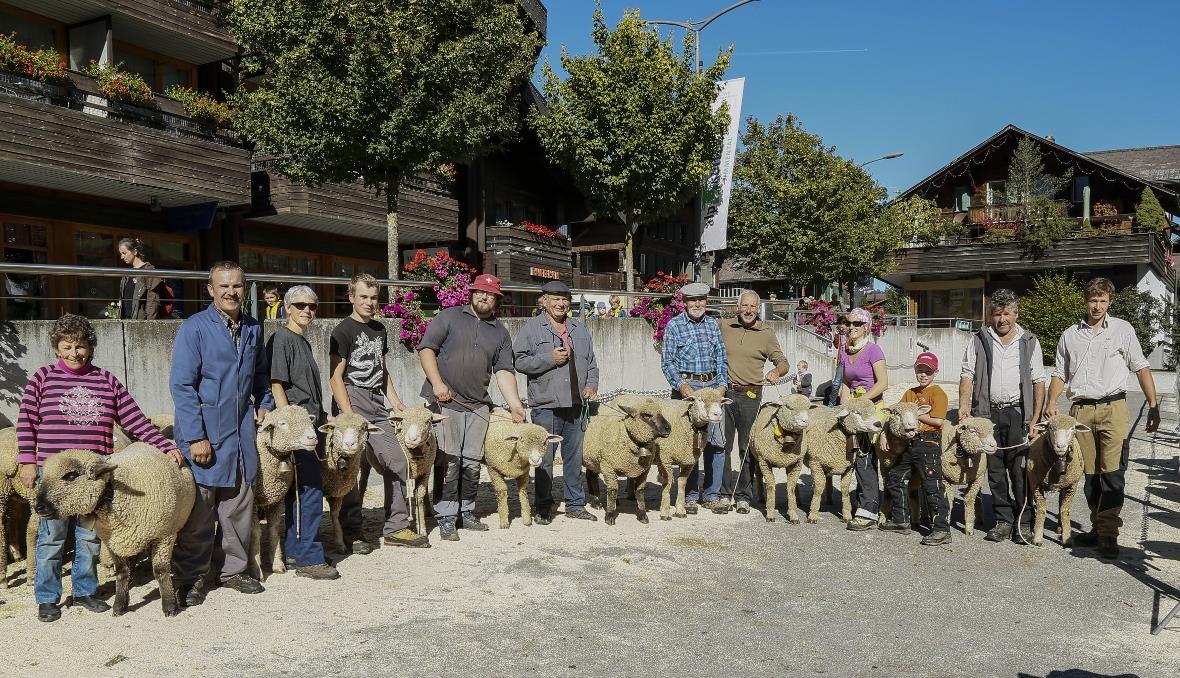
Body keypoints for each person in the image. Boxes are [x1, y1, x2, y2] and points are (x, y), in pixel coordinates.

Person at [16, 314, 182, 622]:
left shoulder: (106, 381)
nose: (74, 353)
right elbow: (26, 422)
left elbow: (135, 421)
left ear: (90, 347)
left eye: (81, 346)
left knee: (91, 537)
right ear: (57, 347)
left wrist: (166, 445)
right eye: (67, 346)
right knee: (51, 537)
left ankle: (84, 591)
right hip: (55, 477)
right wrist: (27, 460)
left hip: (94, 478)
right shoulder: (43, 378)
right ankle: (47, 597)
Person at [170, 261, 274, 606]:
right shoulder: (194, 329)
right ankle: (191, 576)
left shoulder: (253, 328)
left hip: (241, 432)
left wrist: (266, 402)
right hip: (206, 434)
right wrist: (195, 437)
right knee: (200, 512)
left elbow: (261, 374)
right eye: (224, 286)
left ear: (246, 288)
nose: (232, 292)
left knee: (239, 506)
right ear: (210, 290)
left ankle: (233, 570)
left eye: (238, 286)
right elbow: (183, 387)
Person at [1046, 277, 1160, 560]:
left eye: (1102, 301)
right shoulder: (1070, 335)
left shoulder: (1122, 330)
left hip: (1113, 409)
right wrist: (1050, 402)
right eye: (1093, 300)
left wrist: (1153, 404)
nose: (1097, 306)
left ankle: (1109, 534)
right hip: (1081, 411)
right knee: (1089, 476)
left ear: (1110, 302)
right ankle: (1097, 529)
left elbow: (1141, 367)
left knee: (1112, 474)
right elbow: (1060, 373)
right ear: (1086, 300)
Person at [418, 273, 527, 540]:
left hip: (478, 405)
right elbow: (426, 350)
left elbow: (503, 371)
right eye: (479, 291)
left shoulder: (500, 332)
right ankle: (445, 514)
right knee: (448, 460)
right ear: (471, 293)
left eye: (490, 294)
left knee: (472, 463)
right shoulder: (448, 317)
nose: (484, 296)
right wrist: (437, 384)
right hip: (446, 401)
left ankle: (466, 511)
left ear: (497, 299)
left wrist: (515, 404)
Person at [329, 273, 426, 550]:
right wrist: (348, 416)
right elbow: (336, 377)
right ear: (351, 297)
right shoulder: (342, 331)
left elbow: (381, 370)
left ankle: (396, 526)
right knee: (351, 466)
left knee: (397, 460)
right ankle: (352, 529)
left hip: (376, 402)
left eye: (373, 297)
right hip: (353, 399)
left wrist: (395, 401)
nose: (369, 302)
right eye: (363, 297)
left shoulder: (380, 329)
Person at [958, 289, 1046, 545]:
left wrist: (1034, 418)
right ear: (990, 315)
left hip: (1018, 412)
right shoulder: (978, 339)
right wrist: (964, 405)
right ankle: (1002, 521)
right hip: (988, 414)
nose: (1002, 319)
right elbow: (967, 374)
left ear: (1015, 314)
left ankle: (1024, 522)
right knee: (994, 470)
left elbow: (1039, 380)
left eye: (1007, 313)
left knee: (1019, 470)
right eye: (997, 314)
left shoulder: (1029, 341)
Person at [265, 286, 339, 580]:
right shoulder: (282, 338)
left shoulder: (302, 341)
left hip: (310, 424)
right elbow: (276, 384)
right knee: (306, 490)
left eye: (312, 306)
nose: (307, 310)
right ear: (287, 307)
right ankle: (307, 556)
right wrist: (292, 425)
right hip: (297, 428)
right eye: (300, 305)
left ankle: (298, 549)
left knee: (306, 491)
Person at [513, 280, 600, 523]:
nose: (561, 303)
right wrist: (548, 358)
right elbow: (519, 361)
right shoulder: (532, 329)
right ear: (543, 301)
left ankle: (575, 504)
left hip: (576, 405)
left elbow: (592, 364)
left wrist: (592, 385)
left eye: (565, 299)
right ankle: (543, 506)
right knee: (545, 459)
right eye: (555, 299)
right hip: (546, 405)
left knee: (574, 458)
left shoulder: (579, 329)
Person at [660, 281, 730, 514]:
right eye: (693, 300)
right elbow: (668, 362)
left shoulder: (712, 325)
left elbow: (721, 357)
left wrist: (722, 385)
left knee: (716, 442)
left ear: (706, 301)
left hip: (712, 388)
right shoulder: (674, 326)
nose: (697, 304)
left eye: (701, 300)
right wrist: (681, 386)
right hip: (688, 390)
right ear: (685, 302)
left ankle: (712, 494)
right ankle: (688, 496)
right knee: (686, 443)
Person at [719, 290, 791, 514]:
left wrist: (777, 371)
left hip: (751, 395)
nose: (748, 310)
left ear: (758, 309)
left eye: (752, 307)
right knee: (723, 445)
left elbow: (783, 361)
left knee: (746, 447)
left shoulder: (766, 332)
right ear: (737, 307)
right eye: (745, 306)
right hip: (725, 394)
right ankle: (723, 494)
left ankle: (743, 496)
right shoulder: (724, 326)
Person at [880, 352, 951, 545]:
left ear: (935, 372)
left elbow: (937, 420)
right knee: (895, 478)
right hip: (909, 443)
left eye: (927, 371)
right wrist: (885, 433)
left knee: (932, 485)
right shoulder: (910, 393)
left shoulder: (938, 394)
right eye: (920, 370)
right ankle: (901, 520)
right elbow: (896, 414)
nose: (923, 375)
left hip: (929, 442)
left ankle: (942, 529)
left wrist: (914, 414)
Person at [839, 307, 888, 531]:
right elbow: (846, 383)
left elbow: (882, 383)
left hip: (870, 410)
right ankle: (865, 504)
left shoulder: (873, 350)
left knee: (866, 458)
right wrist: (843, 408)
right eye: (849, 323)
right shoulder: (846, 351)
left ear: (866, 326)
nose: (852, 327)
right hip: (854, 412)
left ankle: (869, 510)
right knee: (858, 457)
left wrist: (862, 402)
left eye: (857, 324)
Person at [117, 237, 164, 320]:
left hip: (140, 323)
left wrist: (148, 325)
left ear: (135, 252)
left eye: (124, 253)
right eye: (121, 254)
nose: (121, 257)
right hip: (126, 321)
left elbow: (153, 302)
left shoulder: (149, 271)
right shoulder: (127, 273)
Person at [825, 316, 850, 406]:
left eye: (842, 326)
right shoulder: (840, 334)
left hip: (850, 361)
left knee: (849, 383)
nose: (841, 328)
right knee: (836, 383)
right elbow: (836, 345)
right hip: (841, 361)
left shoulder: (851, 334)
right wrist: (836, 334)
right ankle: (832, 403)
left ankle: (848, 402)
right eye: (840, 326)